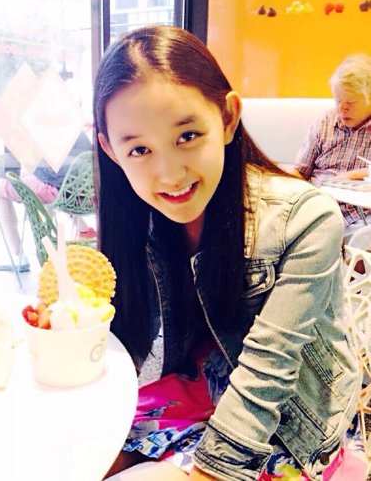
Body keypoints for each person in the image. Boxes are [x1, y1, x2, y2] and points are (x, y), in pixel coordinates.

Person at [94, 26, 363, 480]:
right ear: (111, 150)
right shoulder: (142, 219)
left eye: (187, 136)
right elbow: (125, 342)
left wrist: (206, 474)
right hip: (201, 388)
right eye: (139, 149)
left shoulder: (305, 217)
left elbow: (269, 371)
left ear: (227, 118)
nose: (169, 174)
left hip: (291, 420)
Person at [0, 132, 95, 272]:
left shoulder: (17, 126)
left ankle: (17, 256)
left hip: (60, 192)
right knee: (52, 176)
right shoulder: (69, 121)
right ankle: (82, 230)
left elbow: (11, 171)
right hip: (90, 193)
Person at [292, 53, 371, 236]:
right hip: (318, 208)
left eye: (350, 103)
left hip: (362, 216)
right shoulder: (325, 122)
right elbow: (300, 172)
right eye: (338, 101)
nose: (342, 109)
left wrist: (355, 175)